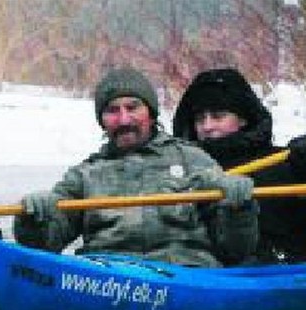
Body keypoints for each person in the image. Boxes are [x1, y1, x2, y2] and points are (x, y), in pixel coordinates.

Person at [13, 67, 258, 267]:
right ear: (102, 122)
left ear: (151, 114)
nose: (124, 120)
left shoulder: (193, 160)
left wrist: (238, 209)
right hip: (107, 279)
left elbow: (236, 251)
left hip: (187, 277)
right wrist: (33, 219)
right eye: (112, 111)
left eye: (132, 108)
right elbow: (42, 247)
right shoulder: (84, 175)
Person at [173, 68, 306, 264]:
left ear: (243, 118)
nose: (207, 126)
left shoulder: (285, 162)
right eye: (200, 119)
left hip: (285, 272)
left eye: (218, 116)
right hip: (204, 272)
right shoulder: (181, 169)